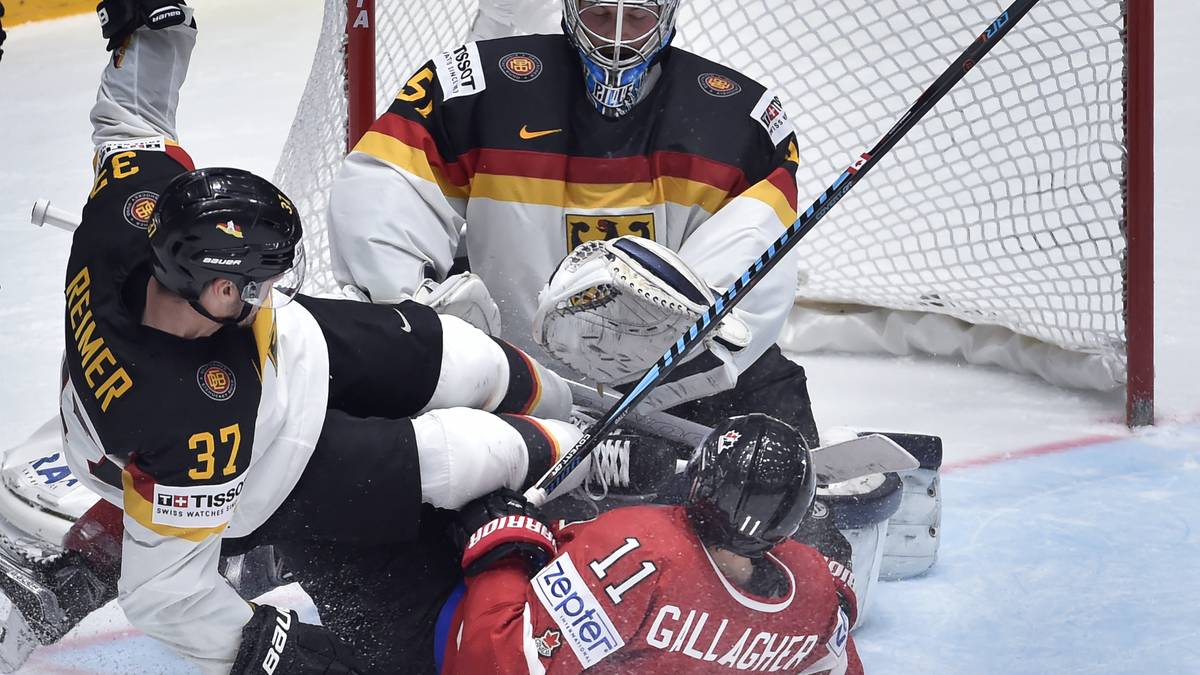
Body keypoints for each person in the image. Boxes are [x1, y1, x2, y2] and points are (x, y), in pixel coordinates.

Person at [0, 2, 593, 673]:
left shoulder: (130, 213)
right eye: (258, 280)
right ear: (221, 289)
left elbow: (130, 118)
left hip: (286, 351)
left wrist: (154, 29)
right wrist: (263, 648)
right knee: (475, 451)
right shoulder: (190, 424)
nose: (267, 287)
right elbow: (161, 590)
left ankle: (576, 409)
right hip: (274, 466)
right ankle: (593, 455)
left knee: (471, 359)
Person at [327, 0, 818, 446]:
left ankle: (813, 531)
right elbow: (385, 193)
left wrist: (687, 340)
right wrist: (417, 312)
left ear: (668, 12)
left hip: (664, 382)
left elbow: (753, 259)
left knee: (774, 415)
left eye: (638, 18)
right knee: (367, 422)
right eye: (601, 16)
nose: (618, 38)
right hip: (502, 373)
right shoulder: (471, 86)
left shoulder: (742, 121)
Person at [442, 413, 863, 674]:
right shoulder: (820, 595)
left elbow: (493, 665)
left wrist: (505, 549)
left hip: (470, 626)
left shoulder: (641, 555)